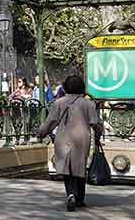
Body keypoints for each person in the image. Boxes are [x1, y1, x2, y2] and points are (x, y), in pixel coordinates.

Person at [37, 74, 103, 212]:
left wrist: (41, 132)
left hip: (63, 137)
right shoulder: (88, 104)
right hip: (82, 138)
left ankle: (71, 194)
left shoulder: (59, 103)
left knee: (67, 168)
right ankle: (80, 198)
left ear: (66, 87)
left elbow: (51, 121)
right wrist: (98, 135)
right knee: (80, 167)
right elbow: (95, 123)